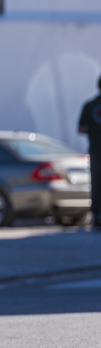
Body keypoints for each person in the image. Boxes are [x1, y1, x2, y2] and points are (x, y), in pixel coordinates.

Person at [77, 74, 101, 231]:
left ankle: (95, 217)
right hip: (95, 150)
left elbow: (80, 129)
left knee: (96, 184)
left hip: (95, 150)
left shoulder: (89, 105)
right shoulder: (90, 106)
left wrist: (93, 132)